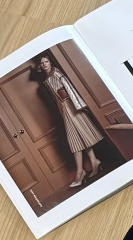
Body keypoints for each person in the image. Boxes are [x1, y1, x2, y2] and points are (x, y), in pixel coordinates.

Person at [32, 54, 105, 187]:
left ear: (50, 62)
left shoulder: (57, 74)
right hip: (64, 109)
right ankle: (94, 162)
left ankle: (80, 173)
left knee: (74, 140)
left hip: (71, 107)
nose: (44, 64)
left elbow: (70, 89)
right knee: (80, 137)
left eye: (46, 61)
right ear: (40, 66)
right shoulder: (47, 79)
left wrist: (79, 105)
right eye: (42, 63)